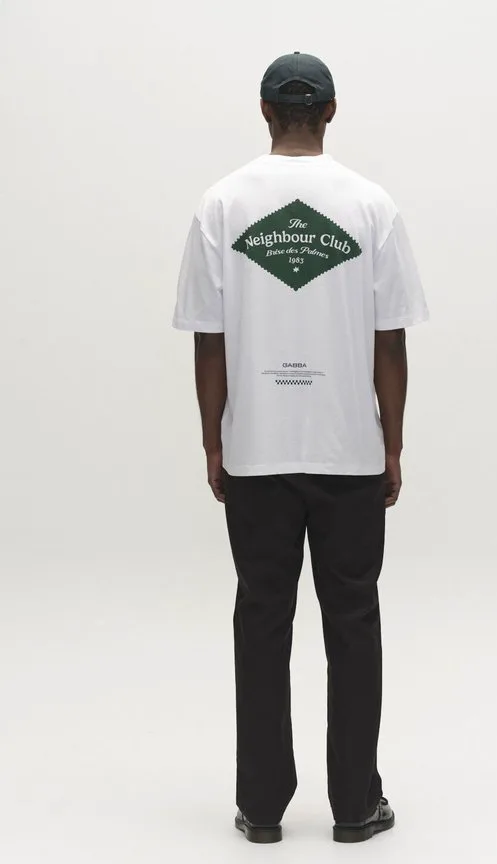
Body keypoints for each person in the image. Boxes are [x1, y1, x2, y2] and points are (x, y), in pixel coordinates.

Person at [171, 51, 430, 844]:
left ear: (263, 110)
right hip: (349, 451)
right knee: (353, 624)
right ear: (331, 112)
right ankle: (355, 806)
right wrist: (392, 443)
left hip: (256, 454)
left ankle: (260, 809)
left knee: (261, 623)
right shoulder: (371, 205)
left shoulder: (222, 204)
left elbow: (208, 340)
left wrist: (214, 440)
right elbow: (390, 340)